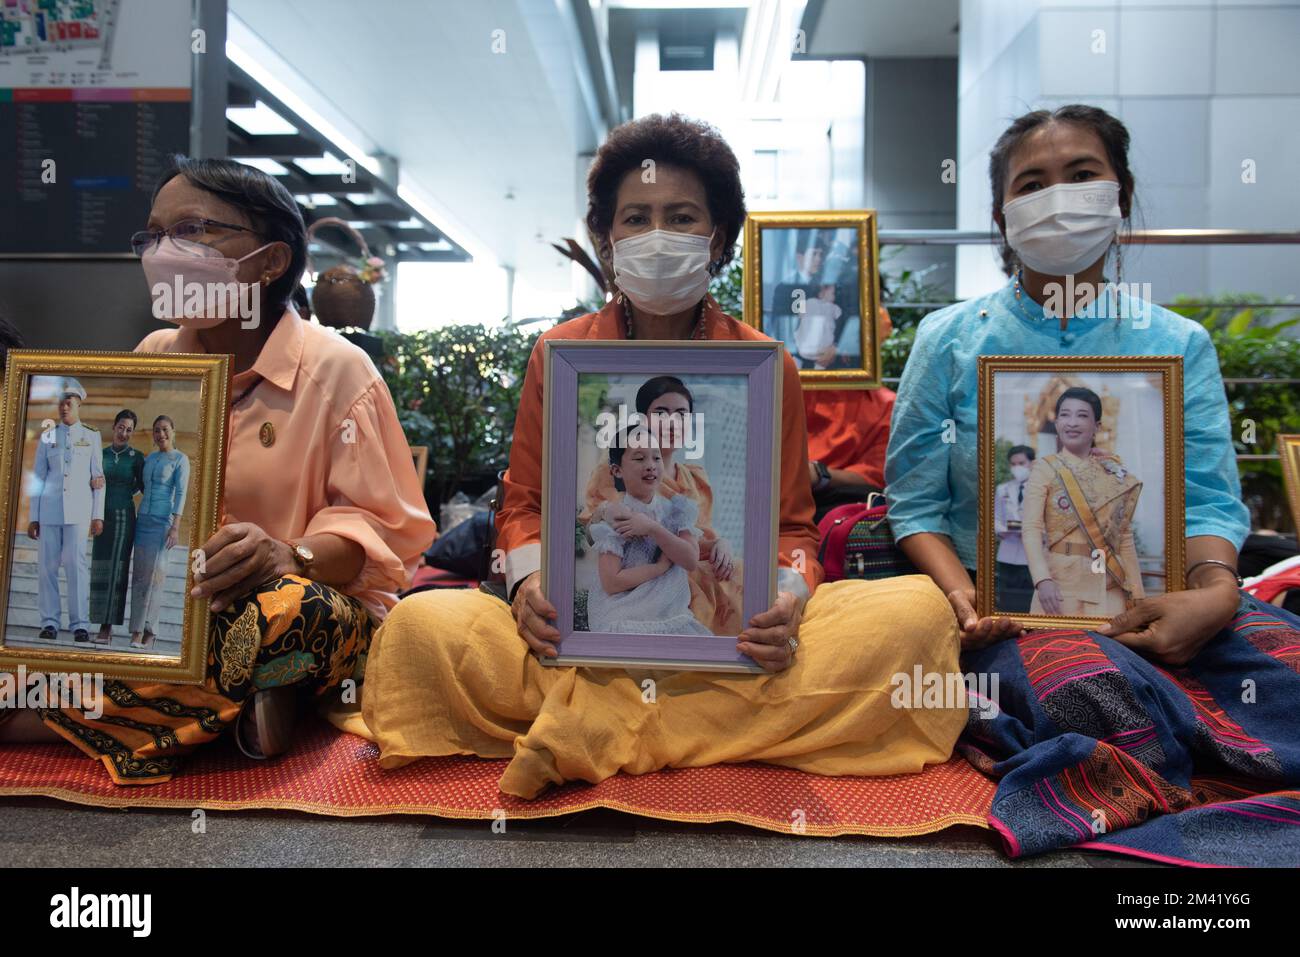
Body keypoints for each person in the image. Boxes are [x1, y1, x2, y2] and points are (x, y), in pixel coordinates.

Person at [355, 113, 964, 800]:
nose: (657, 237)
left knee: (915, 613)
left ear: (720, 240)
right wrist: (527, 587)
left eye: (681, 218)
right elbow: (521, 505)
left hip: (725, 647)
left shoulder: (766, 366)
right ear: (607, 240)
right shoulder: (560, 355)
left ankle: (599, 731)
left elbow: (795, 529)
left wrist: (788, 600)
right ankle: (688, 733)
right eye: (636, 219)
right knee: (423, 625)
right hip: (584, 645)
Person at [886, 105, 1299, 858]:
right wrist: (964, 597)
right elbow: (915, 504)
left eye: (1081, 175)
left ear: (1122, 194)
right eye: (1032, 182)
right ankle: (1189, 762)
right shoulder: (948, 341)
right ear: (1002, 215)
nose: (1059, 196)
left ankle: (1184, 756)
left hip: (1166, 597)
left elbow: (1207, 497)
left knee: (1289, 668)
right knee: (1094, 689)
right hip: (1012, 615)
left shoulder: (1177, 344)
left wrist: (1210, 598)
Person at [0, 156, 435, 783]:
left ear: (270, 261)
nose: (163, 251)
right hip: (180, 600)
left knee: (285, 612)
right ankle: (228, 712)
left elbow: (386, 537)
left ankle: (37, 717)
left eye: (193, 230)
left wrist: (289, 555)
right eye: (152, 235)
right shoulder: (157, 355)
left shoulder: (338, 371)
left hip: (306, 607)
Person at [580, 375, 740, 633]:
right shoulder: (615, 470)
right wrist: (605, 513)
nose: (672, 423)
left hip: (689, 568)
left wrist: (721, 544)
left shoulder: (694, 477)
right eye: (661, 413)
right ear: (644, 420)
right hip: (642, 583)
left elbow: (696, 541)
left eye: (681, 414)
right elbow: (593, 535)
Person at [1022, 388, 1144, 617]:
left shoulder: (1111, 471)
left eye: (1082, 415)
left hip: (1109, 580)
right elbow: (1031, 529)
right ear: (1056, 422)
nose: (1072, 422)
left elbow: (1123, 535)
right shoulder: (1045, 468)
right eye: (1065, 415)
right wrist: (1042, 580)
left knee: (1110, 650)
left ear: (1096, 426)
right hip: (1061, 582)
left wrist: (1137, 593)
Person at [586, 433, 709, 636]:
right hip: (625, 611)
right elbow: (611, 583)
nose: (651, 465)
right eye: (639, 458)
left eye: (656, 457)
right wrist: (659, 567)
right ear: (617, 470)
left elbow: (690, 560)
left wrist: (652, 528)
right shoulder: (617, 515)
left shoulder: (676, 510)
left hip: (671, 613)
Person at [28, 379, 105, 644]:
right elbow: (38, 477)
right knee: (47, 569)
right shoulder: (48, 435)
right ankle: (49, 622)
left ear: (79, 404)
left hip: (79, 511)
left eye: (69, 402)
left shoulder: (91, 435)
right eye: (61, 402)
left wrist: (98, 515)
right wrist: (33, 517)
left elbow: (98, 478)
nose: (63, 407)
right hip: (49, 512)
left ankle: (80, 624)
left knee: (76, 568)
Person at [805, 301, 895, 522]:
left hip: (834, 516)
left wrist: (816, 474)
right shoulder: (784, 385)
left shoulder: (886, 404)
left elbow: (875, 476)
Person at [126, 414, 190, 649]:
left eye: (164, 429)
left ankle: (150, 631)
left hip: (163, 523)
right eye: (156, 430)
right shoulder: (150, 458)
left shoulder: (180, 460)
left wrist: (175, 527)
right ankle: (135, 631)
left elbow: (181, 494)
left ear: (173, 431)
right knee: (140, 576)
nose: (160, 434)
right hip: (142, 521)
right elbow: (138, 487)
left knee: (156, 578)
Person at [89, 409, 145, 645]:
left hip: (124, 517)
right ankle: (99, 620)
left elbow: (142, 486)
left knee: (117, 568)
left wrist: (122, 494)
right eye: (121, 427)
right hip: (101, 517)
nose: (124, 433)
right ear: (114, 427)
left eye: (129, 430)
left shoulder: (136, 456)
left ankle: (107, 628)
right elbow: (90, 482)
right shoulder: (99, 454)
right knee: (100, 566)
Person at [992, 444, 1034, 613]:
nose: (1017, 468)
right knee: (1007, 599)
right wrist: (1001, 530)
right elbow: (996, 517)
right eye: (1013, 464)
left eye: (1021, 463)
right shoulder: (1003, 489)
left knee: (1029, 599)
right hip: (1008, 551)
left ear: (1031, 463)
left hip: (1031, 554)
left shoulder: (1041, 489)